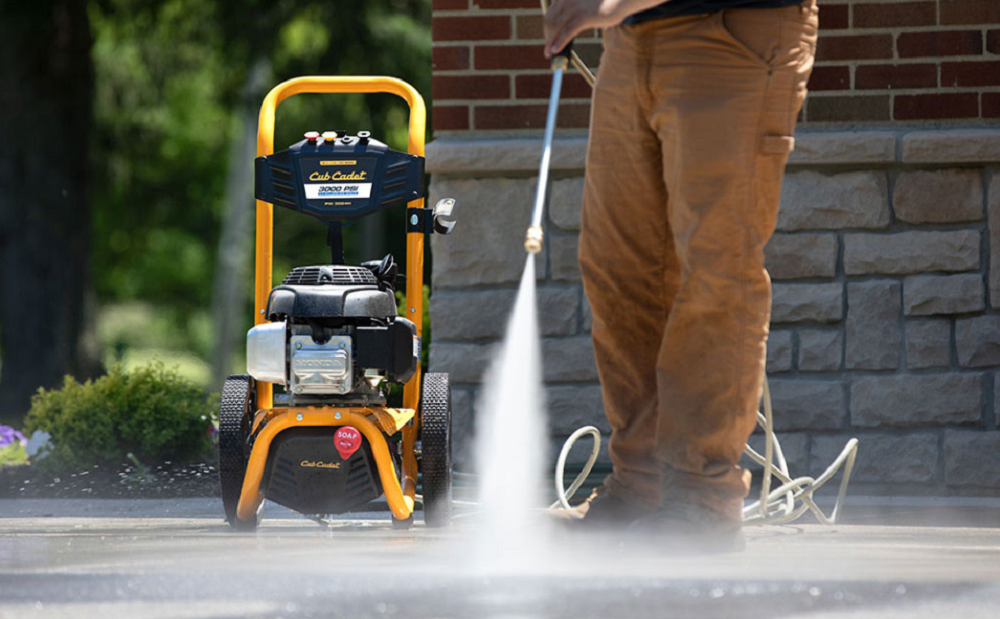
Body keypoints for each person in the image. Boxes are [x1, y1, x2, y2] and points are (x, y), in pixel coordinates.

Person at [544, 0, 819, 549]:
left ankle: (702, 498)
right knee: (617, 268)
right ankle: (640, 486)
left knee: (717, 271)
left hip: (731, 31)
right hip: (629, 38)